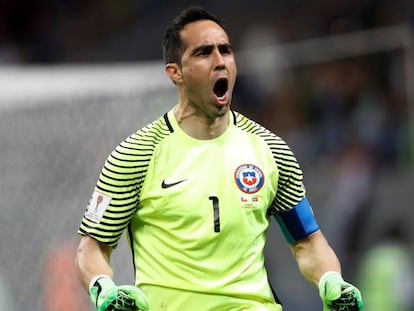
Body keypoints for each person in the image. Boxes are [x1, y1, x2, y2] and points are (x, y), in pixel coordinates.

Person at [75, 7, 363, 311]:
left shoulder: (270, 150)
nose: (219, 61)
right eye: (203, 53)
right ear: (175, 72)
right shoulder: (137, 154)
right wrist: (103, 288)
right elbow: (93, 245)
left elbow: (306, 240)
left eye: (225, 50)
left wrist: (331, 279)